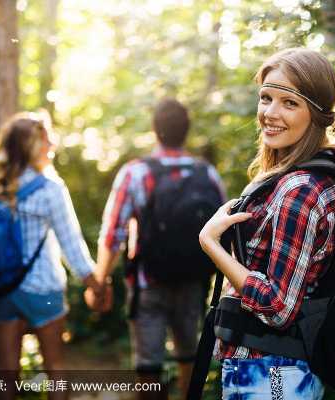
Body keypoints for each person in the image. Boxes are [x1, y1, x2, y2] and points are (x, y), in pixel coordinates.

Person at [198, 48, 335, 399]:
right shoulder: (316, 175)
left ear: (317, 112)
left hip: (271, 375)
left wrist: (210, 244)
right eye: (266, 98)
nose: (270, 113)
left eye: (289, 103)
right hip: (283, 371)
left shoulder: (300, 190)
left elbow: (278, 306)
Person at [0, 112, 106, 400]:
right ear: (32, 146)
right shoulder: (50, 189)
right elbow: (73, 248)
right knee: (55, 369)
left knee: (6, 374)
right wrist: (97, 287)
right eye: (47, 140)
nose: (52, 145)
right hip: (43, 290)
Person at [90, 98, 226, 400]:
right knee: (190, 356)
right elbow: (224, 231)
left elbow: (113, 233)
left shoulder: (135, 173)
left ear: (155, 130)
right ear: (186, 131)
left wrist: (99, 282)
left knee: (148, 366)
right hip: (193, 281)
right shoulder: (206, 173)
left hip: (147, 283)